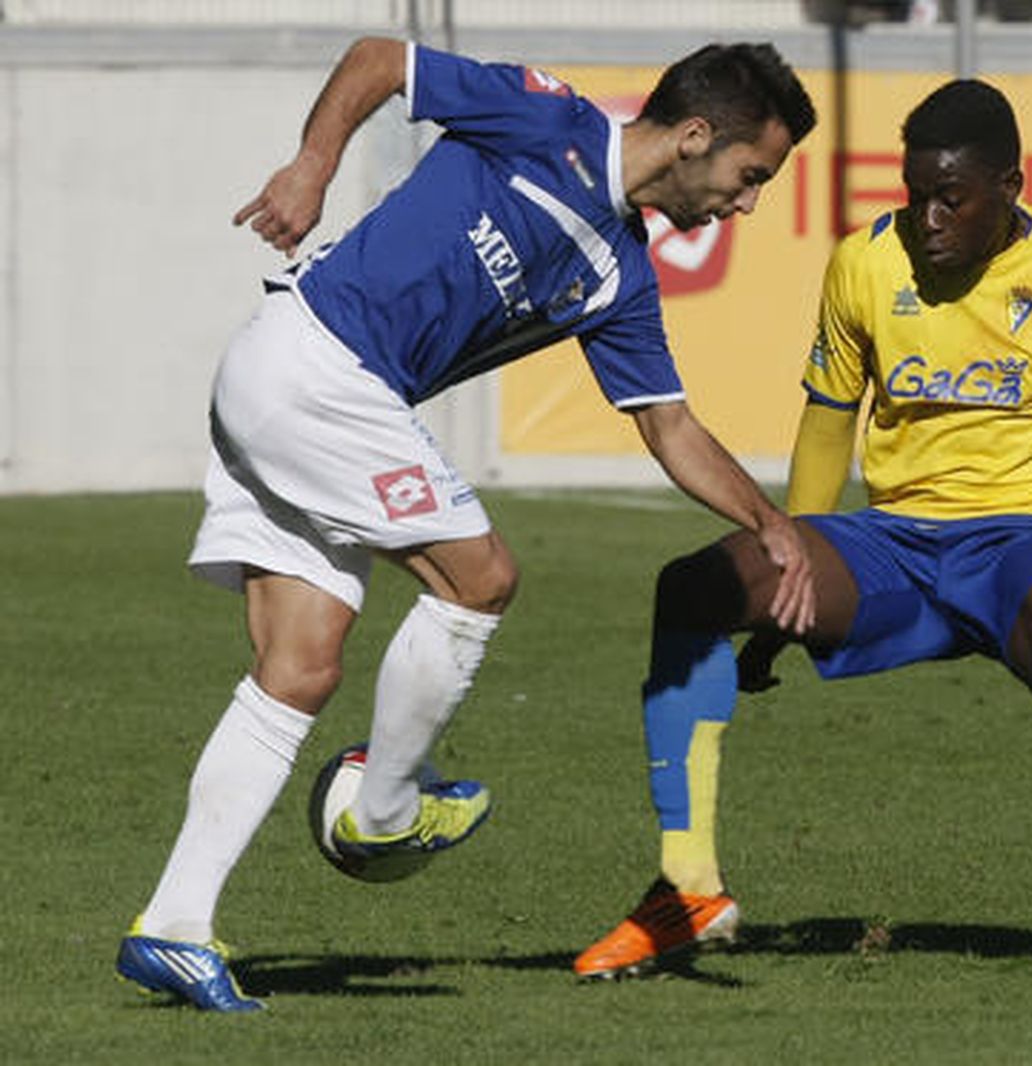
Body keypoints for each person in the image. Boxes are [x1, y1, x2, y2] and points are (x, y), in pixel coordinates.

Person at [115, 36, 818, 1012]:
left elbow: (668, 423)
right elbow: (379, 59)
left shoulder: (620, 273)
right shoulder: (546, 118)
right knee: (479, 577)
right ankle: (385, 809)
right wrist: (312, 168)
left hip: (298, 384)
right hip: (318, 364)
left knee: (300, 665)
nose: (746, 204)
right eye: (750, 176)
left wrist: (767, 521)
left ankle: (174, 925)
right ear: (695, 137)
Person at [574, 79, 1032, 983]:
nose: (928, 217)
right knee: (694, 589)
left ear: (1011, 185)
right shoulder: (864, 263)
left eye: (951, 198)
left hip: (1028, 541)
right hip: (897, 542)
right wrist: (784, 585)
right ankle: (685, 886)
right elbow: (826, 428)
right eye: (914, 192)